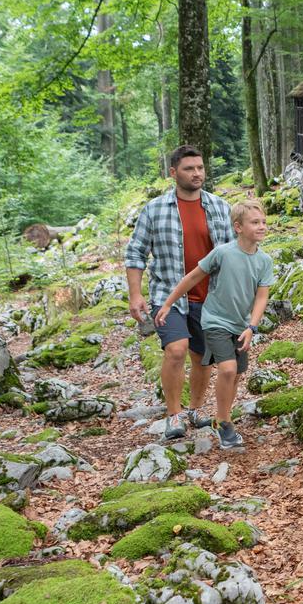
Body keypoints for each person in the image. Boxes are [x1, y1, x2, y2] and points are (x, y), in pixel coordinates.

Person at [125, 145, 235, 442]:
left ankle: (196, 410)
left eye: (200, 167)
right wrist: (136, 295)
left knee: (202, 357)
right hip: (167, 294)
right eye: (189, 168)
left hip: (210, 296)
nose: (197, 173)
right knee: (176, 350)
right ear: (173, 173)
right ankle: (174, 414)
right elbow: (135, 253)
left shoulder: (219, 207)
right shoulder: (155, 209)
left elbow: (233, 253)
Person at [154, 199, 273, 449]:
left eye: (263, 222)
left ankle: (224, 417)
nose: (261, 226)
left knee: (237, 374)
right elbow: (193, 277)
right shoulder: (223, 253)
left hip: (241, 325)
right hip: (215, 320)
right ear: (238, 227)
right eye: (255, 222)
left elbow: (262, 296)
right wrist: (167, 304)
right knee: (227, 369)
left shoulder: (265, 261)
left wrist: (252, 326)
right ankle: (223, 422)